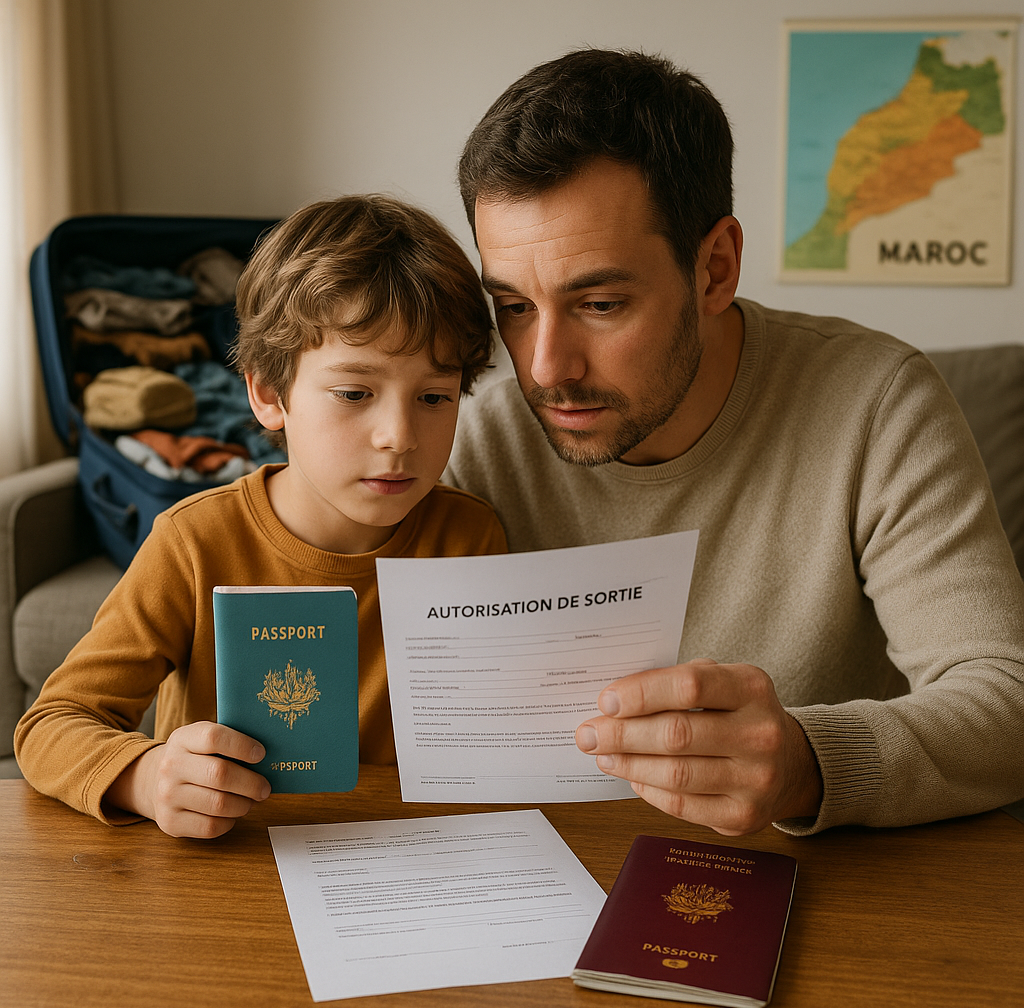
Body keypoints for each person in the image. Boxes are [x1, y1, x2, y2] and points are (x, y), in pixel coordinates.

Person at [445, 48, 1024, 836]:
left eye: (602, 303)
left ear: (715, 268)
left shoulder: (879, 404)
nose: (546, 369)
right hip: (547, 868)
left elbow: (1005, 695)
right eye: (513, 306)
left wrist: (808, 762)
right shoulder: (480, 438)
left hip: (823, 885)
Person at [15, 195, 507, 838]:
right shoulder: (193, 541)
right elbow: (52, 724)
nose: (398, 436)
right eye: (354, 393)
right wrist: (145, 775)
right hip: (230, 862)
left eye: (434, 396)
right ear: (269, 395)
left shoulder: (471, 538)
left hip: (405, 861)